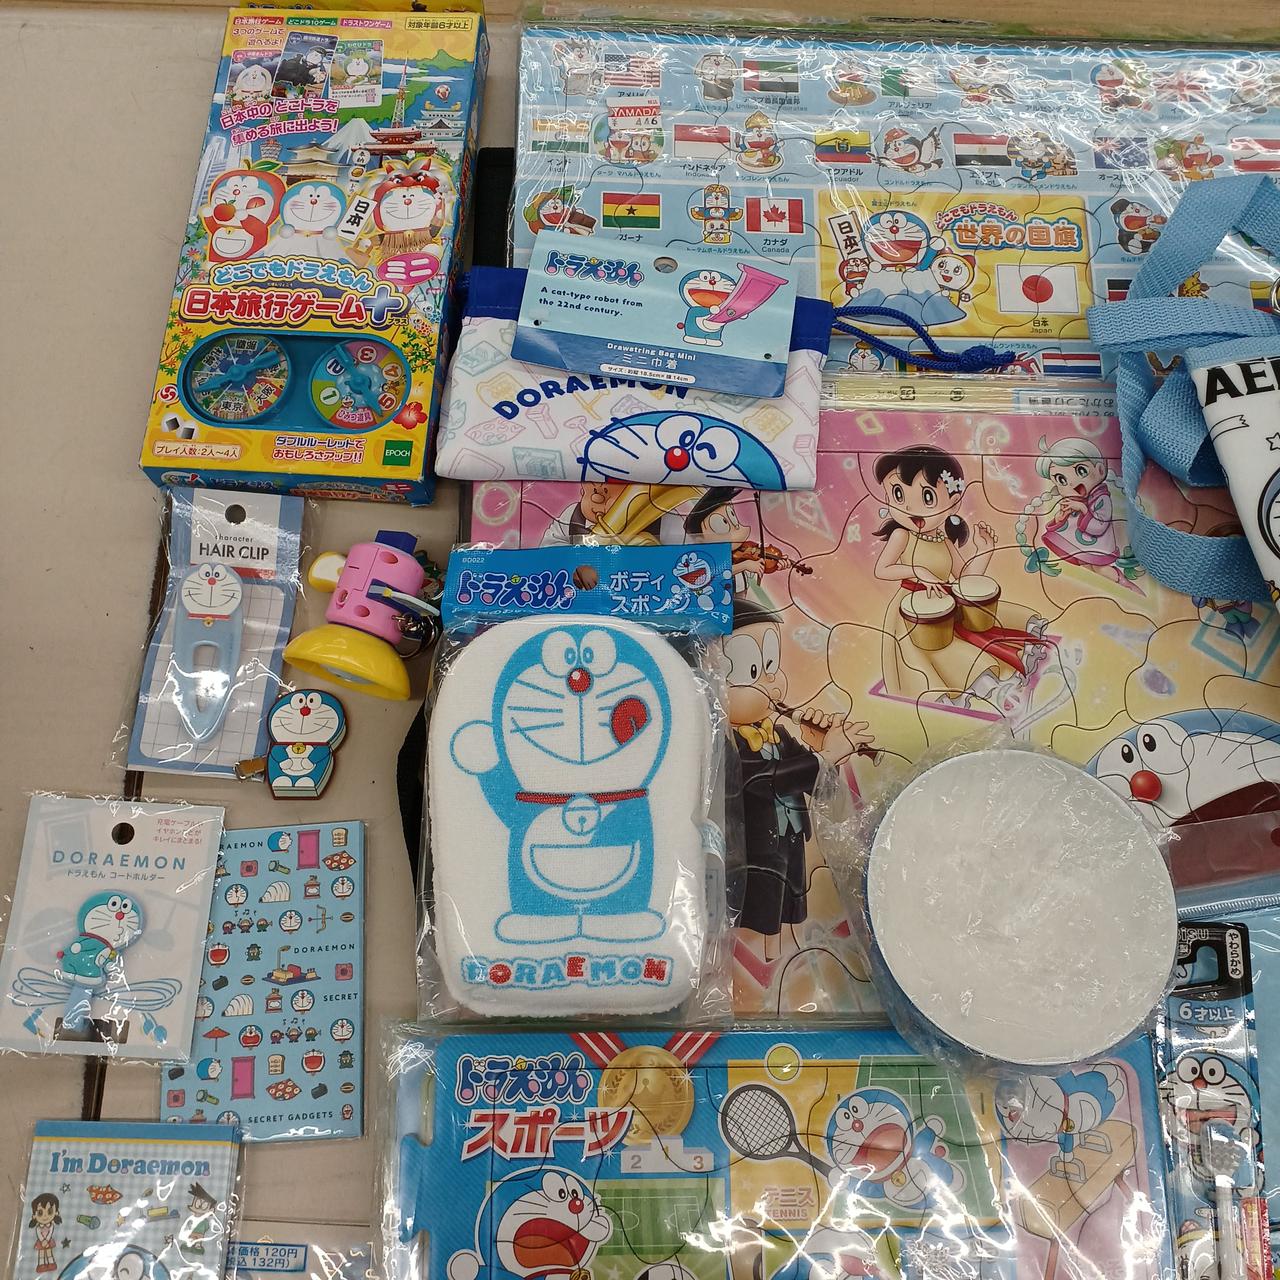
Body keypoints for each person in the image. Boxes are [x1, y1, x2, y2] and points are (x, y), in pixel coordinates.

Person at [728, 598, 873, 964]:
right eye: (752, 671)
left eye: (771, 667)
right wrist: (824, 757)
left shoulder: (778, 734)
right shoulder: (726, 744)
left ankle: (780, 959)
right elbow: (763, 782)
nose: (771, 683)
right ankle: (768, 964)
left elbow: (819, 790)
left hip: (790, 837)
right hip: (756, 847)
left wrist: (820, 750)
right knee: (763, 910)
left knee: (788, 906)